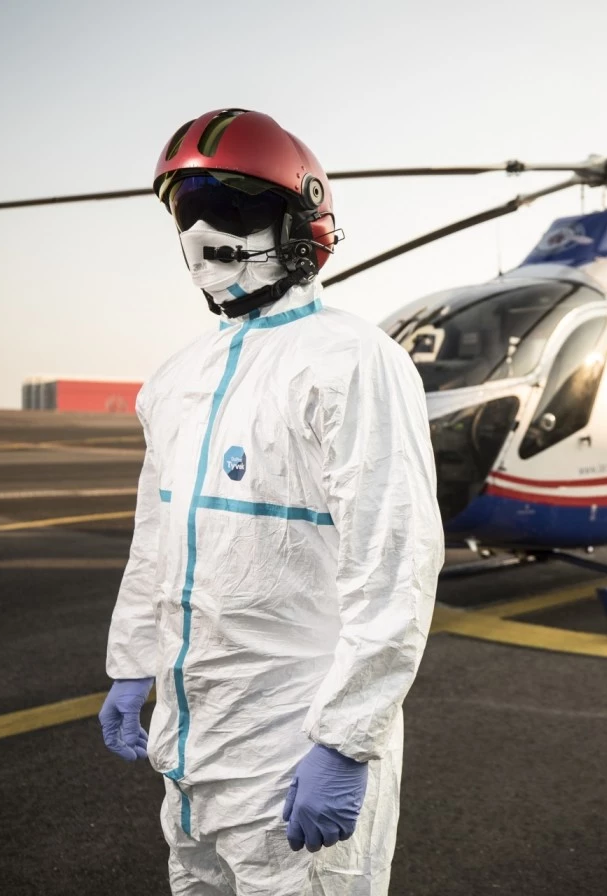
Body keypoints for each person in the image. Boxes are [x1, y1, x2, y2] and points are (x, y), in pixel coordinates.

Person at [97, 108, 443, 896]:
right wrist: (131, 666)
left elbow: (394, 563)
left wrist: (346, 741)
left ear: (301, 222)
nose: (203, 229)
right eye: (187, 208)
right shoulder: (177, 378)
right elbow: (156, 540)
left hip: (292, 750)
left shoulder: (354, 361)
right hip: (191, 751)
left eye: (235, 203)